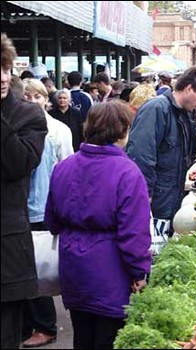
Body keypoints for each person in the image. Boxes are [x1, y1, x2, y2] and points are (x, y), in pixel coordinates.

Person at [44, 100, 152, 349]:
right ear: (122, 130)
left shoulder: (63, 167)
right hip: (110, 270)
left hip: (73, 265)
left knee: (82, 335)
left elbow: (52, 220)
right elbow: (134, 233)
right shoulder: (128, 172)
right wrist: (139, 272)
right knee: (108, 338)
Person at [126, 66, 196, 237]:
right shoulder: (156, 109)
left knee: (162, 244)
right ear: (189, 89)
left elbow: (180, 152)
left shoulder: (183, 113)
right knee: (151, 245)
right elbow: (140, 155)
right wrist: (145, 195)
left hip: (170, 195)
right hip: (157, 198)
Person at [1, 33, 47, 350]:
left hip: (7, 248)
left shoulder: (28, 115)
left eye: (4, 69)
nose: (2, 77)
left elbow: (17, 165)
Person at [21, 78, 74, 348]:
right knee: (23, 267)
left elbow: (67, 168)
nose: (31, 101)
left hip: (44, 207)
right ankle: (26, 323)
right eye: (26, 96)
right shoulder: (17, 127)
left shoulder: (58, 130)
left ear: (46, 99)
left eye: (36, 96)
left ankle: (45, 325)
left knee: (38, 267)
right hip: (22, 208)